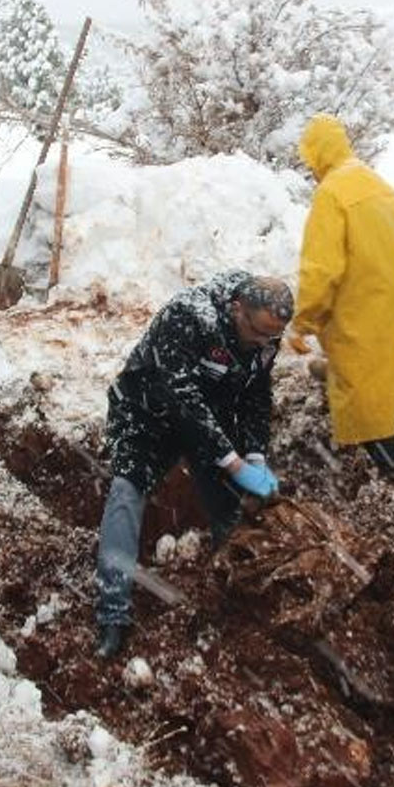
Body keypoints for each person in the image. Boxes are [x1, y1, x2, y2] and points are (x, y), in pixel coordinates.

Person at [94, 271, 292, 659]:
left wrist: (254, 455)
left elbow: (255, 395)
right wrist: (233, 461)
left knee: (230, 507)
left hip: (211, 414)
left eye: (272, 338)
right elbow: (180, 396)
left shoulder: (265, 334)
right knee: (126, 491)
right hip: (148, 408)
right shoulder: (188, 316)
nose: (263, 344)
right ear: (237, 310)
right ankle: (112, 614)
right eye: (258, 334)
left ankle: (233, 602)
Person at [289, 113, 394, 486]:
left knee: (363, 394)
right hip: (391, 292)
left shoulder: (331, 192)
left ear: (315, 153)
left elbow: (321, 268)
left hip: (361, 294)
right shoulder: (376, 183)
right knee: (372, 364)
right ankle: (334, 373)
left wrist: (303, 321)